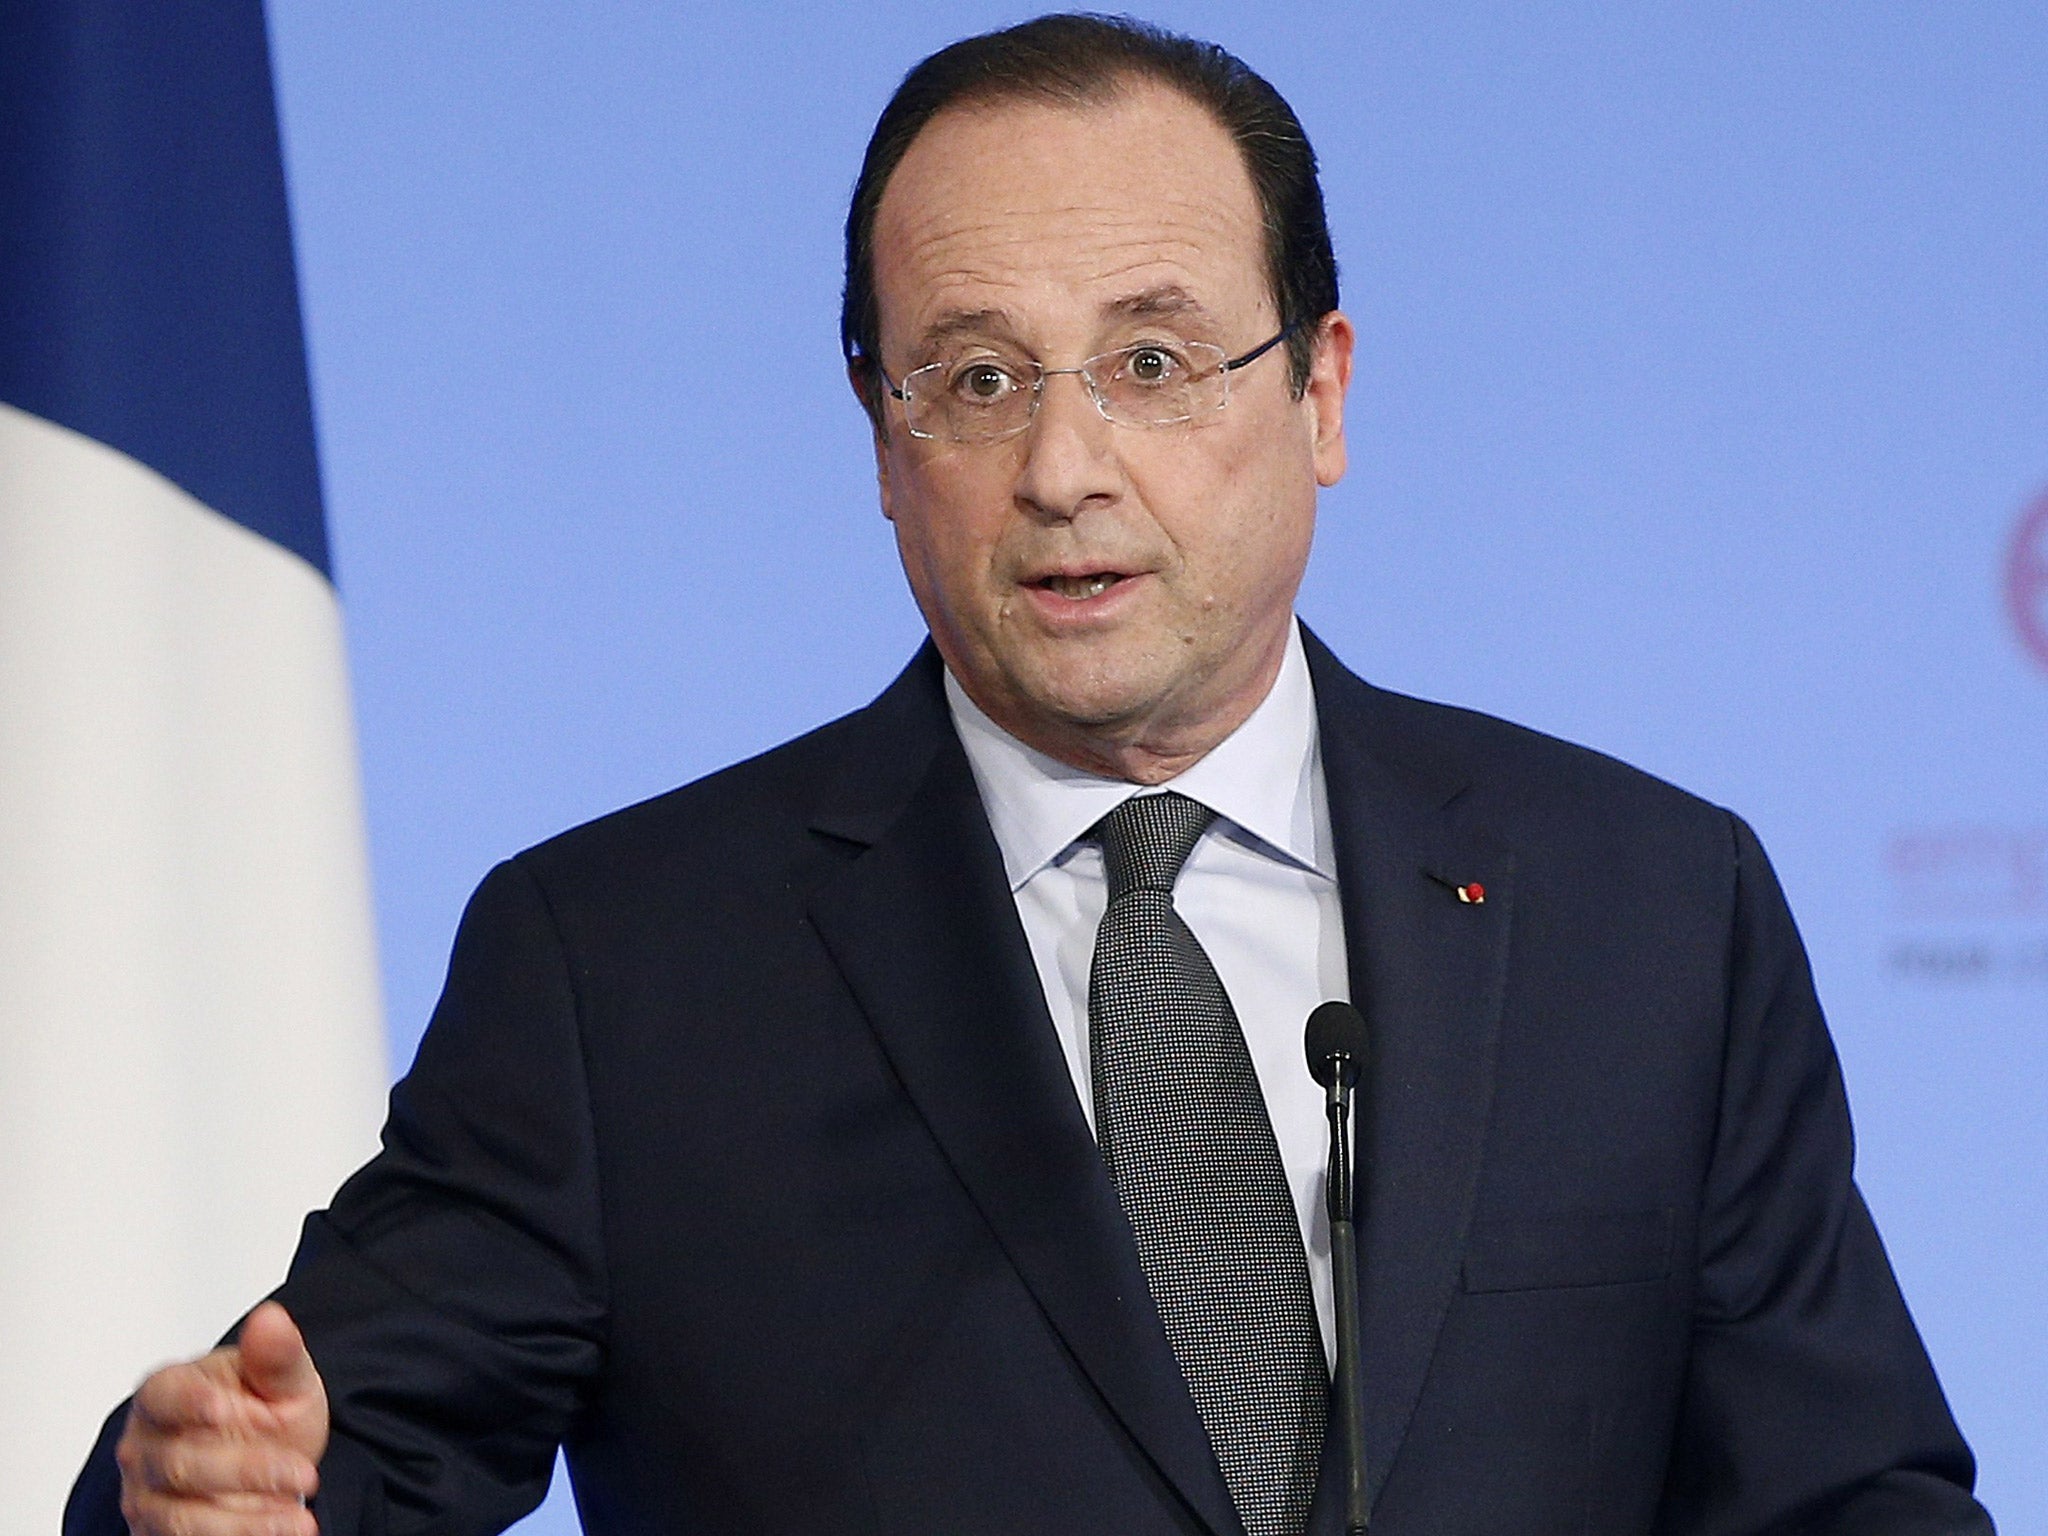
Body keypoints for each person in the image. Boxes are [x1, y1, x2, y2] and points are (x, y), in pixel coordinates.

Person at [74, 15, 1990, 1536]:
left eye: (1154, 363)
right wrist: (212, 1498)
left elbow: (1851, 1498)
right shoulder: (627, 966)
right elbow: (315, 1453)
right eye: (979, 379)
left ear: (1320, 393)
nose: (1066, 467)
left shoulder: (1647, 907)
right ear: (882, 437)